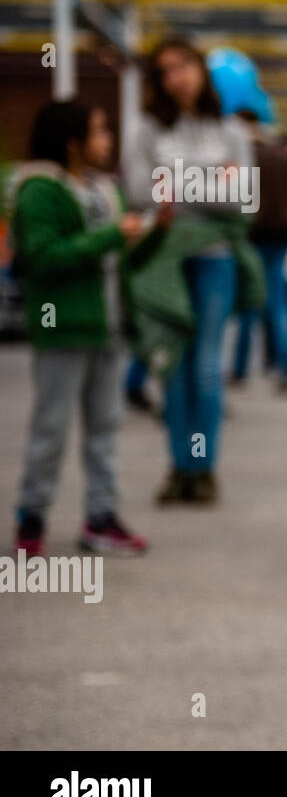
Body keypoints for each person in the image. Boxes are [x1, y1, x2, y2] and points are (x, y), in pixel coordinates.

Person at [10, 101, 168, 555]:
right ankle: (31, 519)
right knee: (51, 428)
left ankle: (100, 519)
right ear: (71, 139)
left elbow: (122, 262)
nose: (107, 140)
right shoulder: (37, 188)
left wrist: (154, 234)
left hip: (107, 324)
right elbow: (43, 259)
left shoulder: (105, 188)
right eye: (98, 131)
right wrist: (113, 234)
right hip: (63, 325)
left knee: (105, 427)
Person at [125, 38, 263, 505]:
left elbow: (244, 199)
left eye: (183, 66)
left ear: (200, 70)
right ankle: (178, 467)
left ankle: (204, 470)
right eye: (165, 70)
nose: (176, 76)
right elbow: (140, 193)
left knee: (206, 366)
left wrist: (176, 179)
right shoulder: (146, 130)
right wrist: (209, 179)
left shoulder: (232, 131)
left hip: (216, 261)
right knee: (172, 367)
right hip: (165, 262)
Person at [230, 110, 287, 394]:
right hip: (281, 237)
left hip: (253, 237)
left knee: (251, 303)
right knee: (279, 302)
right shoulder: (279, 156)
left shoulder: (244, 157)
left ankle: (240, 368)